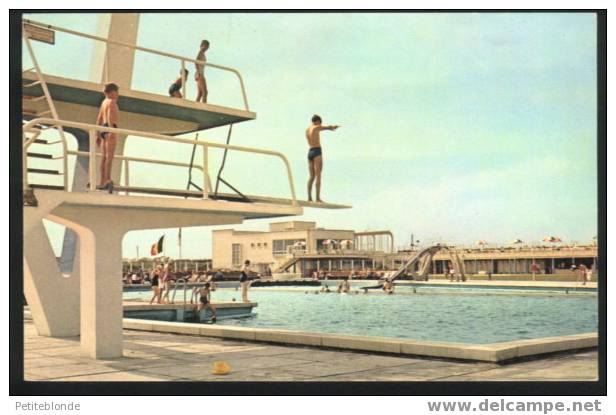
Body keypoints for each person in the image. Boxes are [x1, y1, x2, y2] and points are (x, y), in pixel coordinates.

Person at [305, 114, 340, 202]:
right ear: (317, 121)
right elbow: (327, 127)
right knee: (318, 175)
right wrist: (332, 127)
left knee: (311, 176)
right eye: (320, 123)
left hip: (310, 152)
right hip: (317, 151)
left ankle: (309, 197)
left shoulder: (307, 130)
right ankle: (317, 198)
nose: (320, 125)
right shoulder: (316, 127)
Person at [95, 82, 120, 191]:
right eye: (117, 92)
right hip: (110, 127)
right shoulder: (111, 102)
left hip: (103, 128)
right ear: (113, 92)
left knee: (104, 157)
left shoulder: (103, 102)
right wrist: (111, 130)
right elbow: (110, 116)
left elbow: (99, 118)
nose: (117, 94)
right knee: (109, 157)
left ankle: (102, 180)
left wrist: (97, 134)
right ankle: (108, 179)